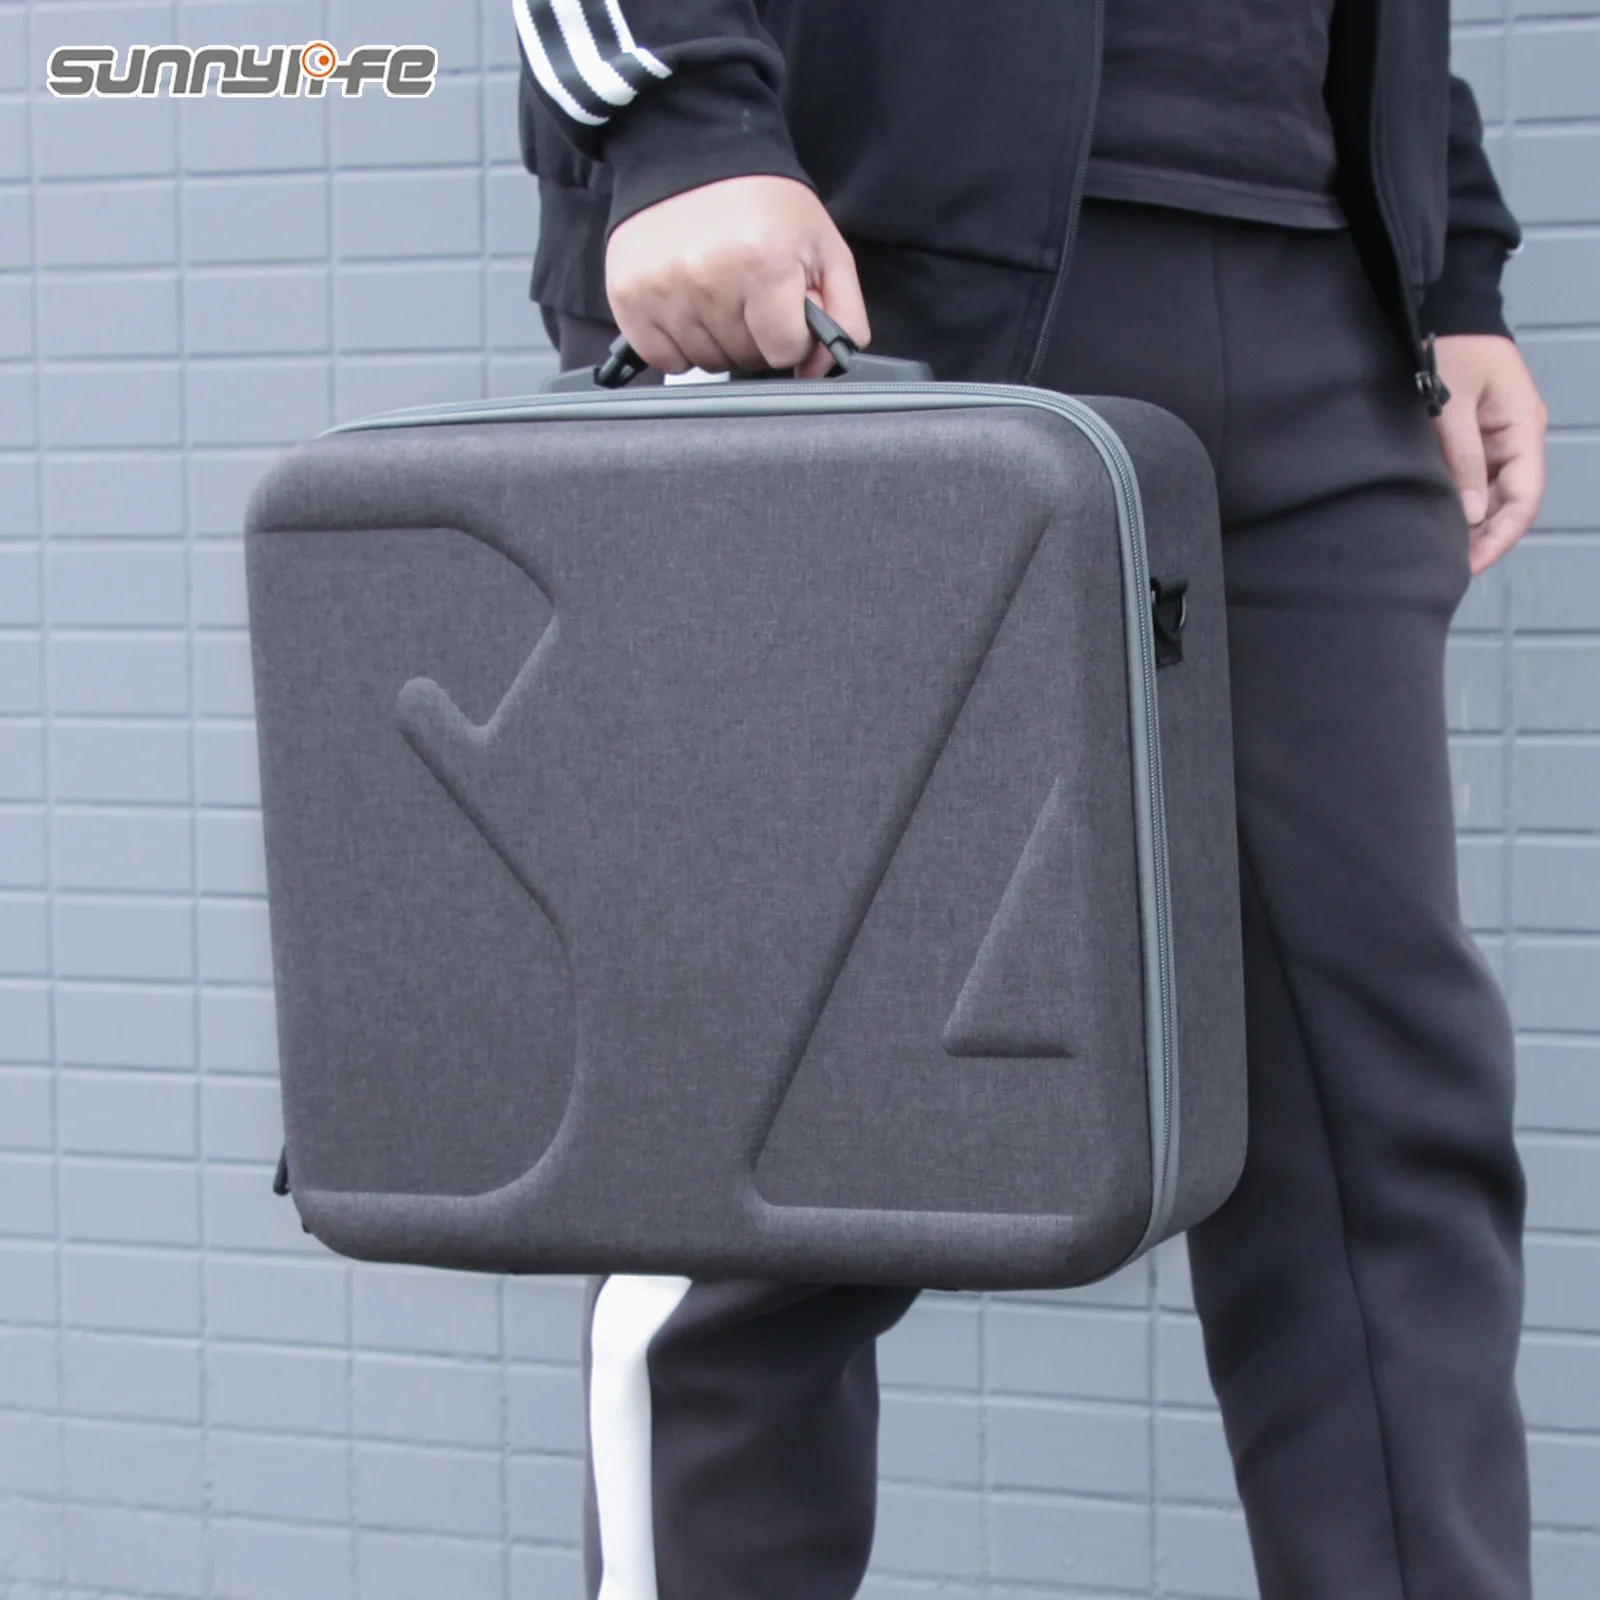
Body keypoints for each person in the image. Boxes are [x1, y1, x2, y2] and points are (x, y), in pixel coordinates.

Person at [512, 4, 1549, 1597]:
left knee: (1384, 1143)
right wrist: (675, 116)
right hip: (852, 276)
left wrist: (1449, 254)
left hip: (1323, 290)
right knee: (767, 1158)